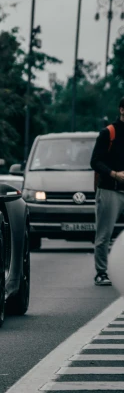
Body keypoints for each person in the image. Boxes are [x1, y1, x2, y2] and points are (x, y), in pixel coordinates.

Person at [91, 97, 124, 286]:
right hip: (110, 190)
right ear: (122, 110)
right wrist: (113, 174)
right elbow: (95, 161)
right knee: (104, 234)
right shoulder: (109, 133)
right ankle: (101, 272)